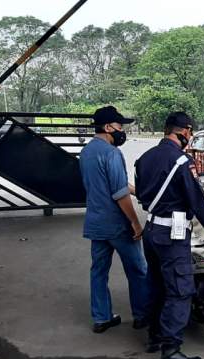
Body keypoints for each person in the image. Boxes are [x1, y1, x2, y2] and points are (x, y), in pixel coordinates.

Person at [135, 111, 204, 359]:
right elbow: (197, 200)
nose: (190, 137)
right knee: (180, 290)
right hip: (172, 235)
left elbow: (142, 195)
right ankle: (170, 354)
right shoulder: (182, 162)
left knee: (156, 283)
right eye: (190, 133)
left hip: (151, 229)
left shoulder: (145, 158)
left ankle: (154, 336)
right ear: (184, 132)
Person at [79, 106, 149, 334]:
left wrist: (139, 191)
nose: (122, 131)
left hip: (96, 223)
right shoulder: (112, 153)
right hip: (117, 225)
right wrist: (135, 222)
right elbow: (119, 193)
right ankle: (142, 315)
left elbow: (113, 183)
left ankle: (102, 318)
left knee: (98, 272)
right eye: (120, 126)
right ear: (108, 127)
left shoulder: (87, 152)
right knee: (138, 269)